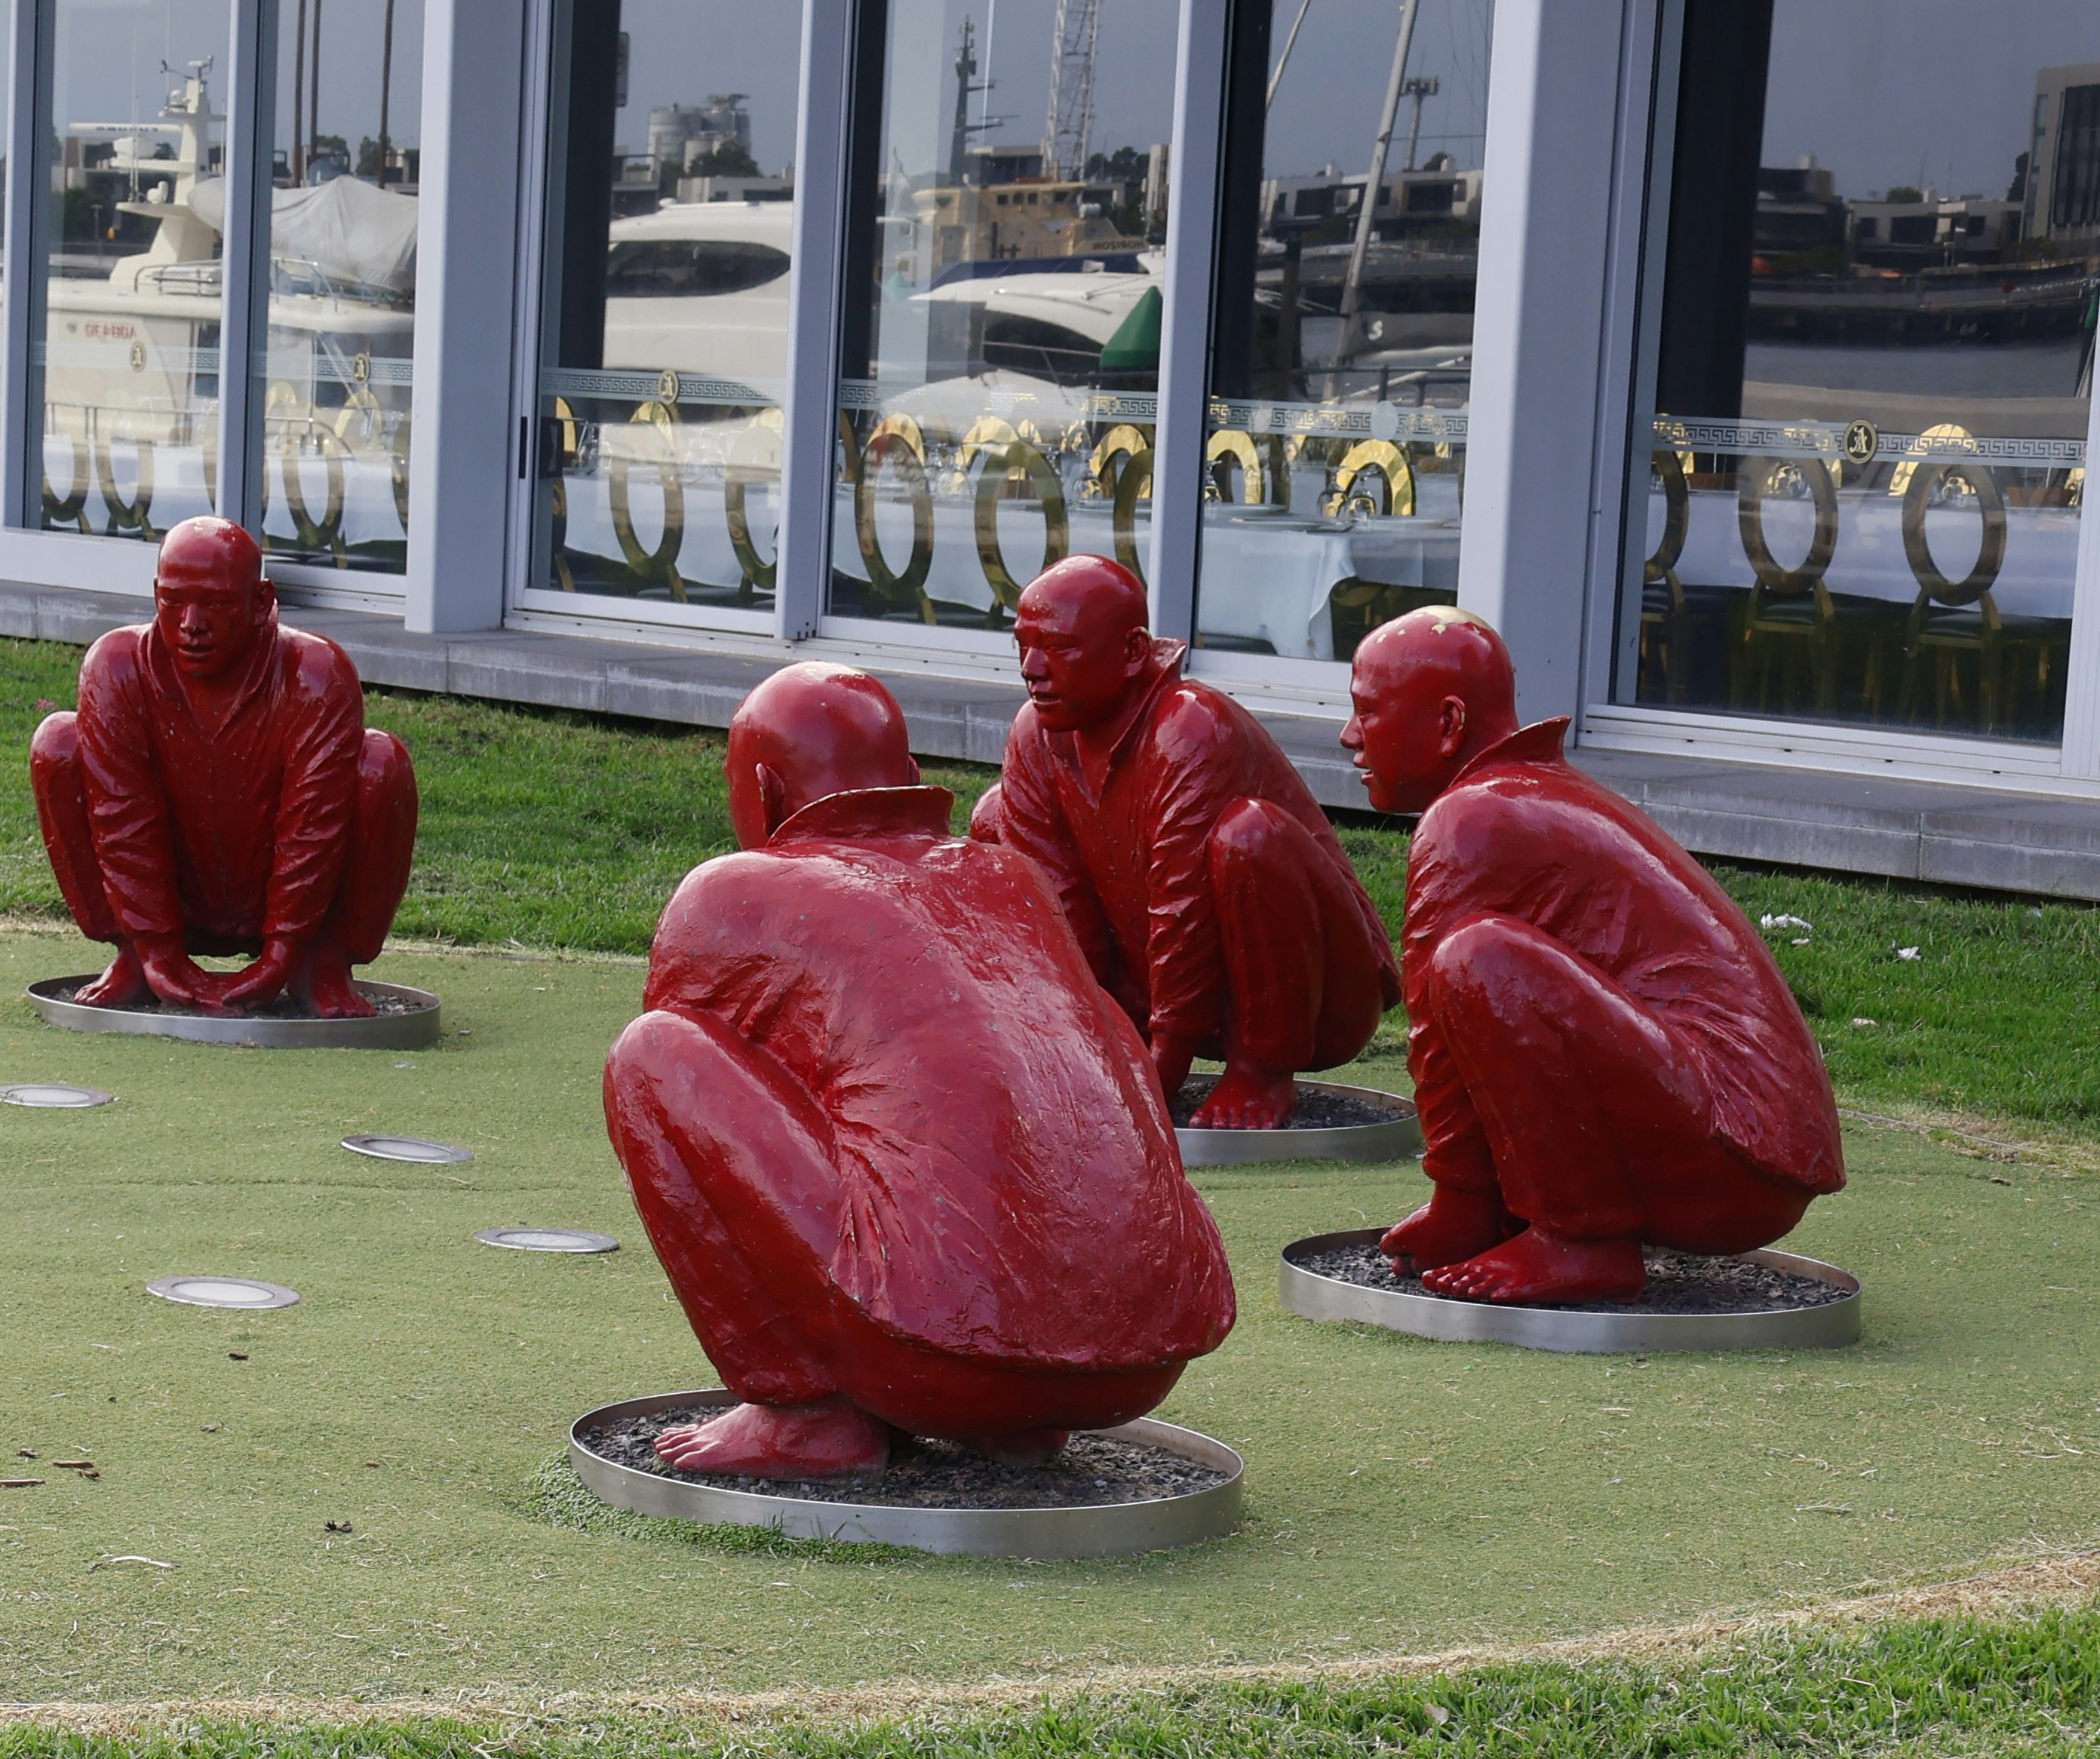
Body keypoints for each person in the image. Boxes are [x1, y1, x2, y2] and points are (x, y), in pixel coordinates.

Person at [603, 659, 1236, 1478]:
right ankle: (1019, 1425)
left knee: (654, 1057)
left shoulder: (732, 893)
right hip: (1140, 1361)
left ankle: (808, 1415)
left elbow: (670, 1141)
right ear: (907, 778)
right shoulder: (1012, 876)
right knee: (1065, 1025)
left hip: (937, 1359)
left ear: (761, 792)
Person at [1339, 605, 1842, 1303]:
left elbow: (1433, 1024)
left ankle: (1580, 1240)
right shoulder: (1525, 795)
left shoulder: (1473, 818)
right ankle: (1544, 1221)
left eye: (1366, 712)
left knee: (1477, 960)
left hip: (1731, 1155)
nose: (1347, 738)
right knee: (1480, 968)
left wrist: (1458, 1197)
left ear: (1449, 724)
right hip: (1748, 1151)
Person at [970, 552, 1394, 1128]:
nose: (1032, 667)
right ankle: (1119, 1039)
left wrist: (1158, 1073)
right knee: (995, 815)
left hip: (1313, 1000)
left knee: (1250, 836)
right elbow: (1056, 910)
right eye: (1022, 644)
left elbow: (1183, 907)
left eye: (1061, 648)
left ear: (1132, 654)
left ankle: (1263, 1069)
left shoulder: (1189, 726)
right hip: (1150, 985)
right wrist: (1073, 1043)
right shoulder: (1038, 734)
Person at [29, 516, 418, 1017]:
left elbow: (312, 826)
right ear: (155, 595)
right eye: (173, 601)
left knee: (382, 764)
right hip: (174, 892)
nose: (192, 623)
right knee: (59, 743)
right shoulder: (117, 664)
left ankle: (322, 960)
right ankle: (133, 956)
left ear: (260, 602)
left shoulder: (315, 673)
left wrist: (283, 952)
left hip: (281, 890)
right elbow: (122, 815)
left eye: (215, 603)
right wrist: (156, 948)